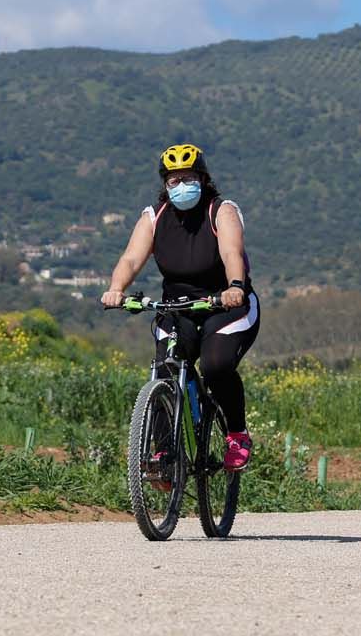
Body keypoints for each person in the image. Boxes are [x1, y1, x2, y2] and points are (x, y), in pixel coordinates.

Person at [102, 143, 260, 470]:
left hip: (225, 305)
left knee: (216, 366)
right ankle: (164, 457)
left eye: (188, 178)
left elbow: (232, 252)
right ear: (165, 184)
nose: (181, 186)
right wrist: (116, 289)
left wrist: (234, 287)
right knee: (165, 368)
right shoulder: (155, 217)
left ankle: (236, 433)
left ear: (202, 179)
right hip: (178, 307)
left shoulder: (221, 211)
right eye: (173, 180)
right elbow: (131, 258)